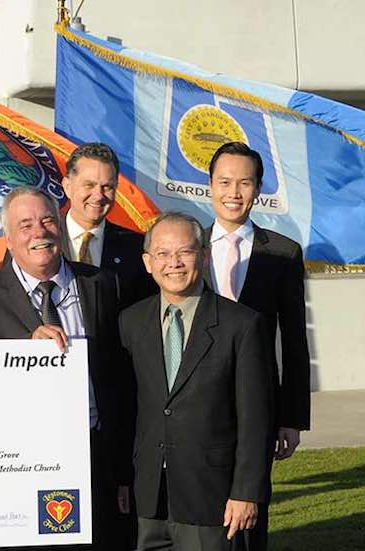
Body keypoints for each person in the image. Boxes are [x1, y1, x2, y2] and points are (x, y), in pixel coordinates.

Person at [0, 186, 132, 551]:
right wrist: (25, 359)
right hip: (20, 459)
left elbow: (120, 375)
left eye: (48, 220)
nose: (39, 231)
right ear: (7, 237)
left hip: (94, 452)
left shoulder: (102, 284)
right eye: (25, 225)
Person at [120, 212, 273, 550]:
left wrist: (246, 493)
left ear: (204, 257)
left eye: (185, 252)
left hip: (212, 498)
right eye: (162, 253)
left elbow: (257, 420)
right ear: (147, 262)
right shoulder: (130, 323)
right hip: (148, 496)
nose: (173, 263)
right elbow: (126, 409)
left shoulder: (241, 325)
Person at [204, 141, 310, 549]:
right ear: (210, 186)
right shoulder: (186, 247)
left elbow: (295, 339)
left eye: (244, 183)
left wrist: (293, 417)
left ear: (258, 188)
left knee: (249, 515)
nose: (234, 193)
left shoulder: (282, 252)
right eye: (225, 182)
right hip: (198, 406)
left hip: (257, 407)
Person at [59, 142, 156, 307]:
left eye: (107, 187)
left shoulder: (137, 248)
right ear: (68, 186)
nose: (98, 195)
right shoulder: (39, 240)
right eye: (89, 185)